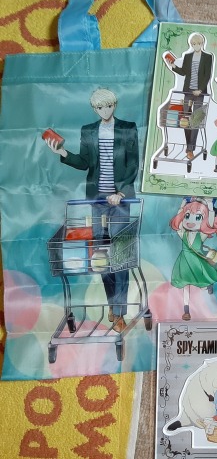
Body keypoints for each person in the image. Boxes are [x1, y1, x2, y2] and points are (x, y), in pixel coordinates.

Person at [44, 88, 139, 333]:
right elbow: (84, 162)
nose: (105, 110)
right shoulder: (88, 130)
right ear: (94, 109)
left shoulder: (128, 128)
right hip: (97, 201)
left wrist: (121, 193)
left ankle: (119, 312)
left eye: (109, 105)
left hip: (120, 201)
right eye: (100, 107)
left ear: (115, 104)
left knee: (121, 256)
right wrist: (62, 152)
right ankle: (113, 305)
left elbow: (133, 164)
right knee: (101, 258)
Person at [169, 197, 217, 321]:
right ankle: (186, 310)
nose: (190, 221)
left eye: (198, 217)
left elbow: (210, 222)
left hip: (197, 261)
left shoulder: (201, 235)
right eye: (187, 216)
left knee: (202, 283)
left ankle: (207, 288)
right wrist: (183, 203)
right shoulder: (183, 233)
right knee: (185, 284)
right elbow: (179, 218)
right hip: (184, 262)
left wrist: (210, 206)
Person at [164, 33, 213, 160]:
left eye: (198, 43)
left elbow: (207, 75)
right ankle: (189, 147)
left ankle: (190, 149)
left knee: (195, 121)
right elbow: (184, 72)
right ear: (191, 44)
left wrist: (200, 89)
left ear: (202, 44)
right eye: (194, 44)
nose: (196, 46)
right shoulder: (188, 56)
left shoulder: (207, 57)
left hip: (199, 93)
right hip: (187, 91)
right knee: (185, 120)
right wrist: (173, 66)